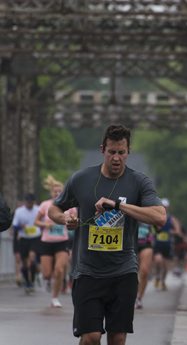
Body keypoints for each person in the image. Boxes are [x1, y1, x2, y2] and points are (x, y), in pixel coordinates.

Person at [48, 124, 166, 345]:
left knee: (118, 338)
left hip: (124, 272)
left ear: (128, 152)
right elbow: (53, 209)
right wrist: (65, 219)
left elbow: (160, 217)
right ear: (103, 149)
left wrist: (119, 206)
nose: (116, 158)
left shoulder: (139, 182)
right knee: (91, 337)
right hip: (88, 272)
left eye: (121, 152)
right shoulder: (81, 179)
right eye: (112, 152)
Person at [34, 175, 75, 308]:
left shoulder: (69, 206)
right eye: (55, 191)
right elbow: (36, 221)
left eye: (60, 192)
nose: (57, 194)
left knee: (59, 269)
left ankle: (55, 297)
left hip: (62, 242)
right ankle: (45, 279)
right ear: (51, 192)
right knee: (47, 273)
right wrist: (45, 225)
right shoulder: (45, 205)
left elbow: (76, 219)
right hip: (46, 242)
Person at [12, 193, 41, 293]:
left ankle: (32, 280)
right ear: (25, 202)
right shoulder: (19, 211)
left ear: (34, 202)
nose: (30, 204)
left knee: (32, 258)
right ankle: (27, 282)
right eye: (28, 202)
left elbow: (44, 220)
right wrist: (21, 227)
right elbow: (14, 226)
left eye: (31, 202)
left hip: (35, 237)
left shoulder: (38, 209)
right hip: (23, 238)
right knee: (24, 263)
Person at [152, 198, 182, 290]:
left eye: (165, 207)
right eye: (163, 206)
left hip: (167, 244)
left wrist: (170, 232)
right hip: (157, 244)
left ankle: (163, 281)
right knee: (158, 261)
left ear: (168, 207)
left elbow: (178, 231)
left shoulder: (171, 219)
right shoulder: (155, 216)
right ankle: (157, 276)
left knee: (165, 266)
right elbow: (152, 229)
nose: (164, 208)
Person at [134, 222, 155, 309]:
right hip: (129, 243)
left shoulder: (150, 207)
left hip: (146, 244)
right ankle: (131, 297)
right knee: (130, 273)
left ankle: (139, 298)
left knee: (144, 271)